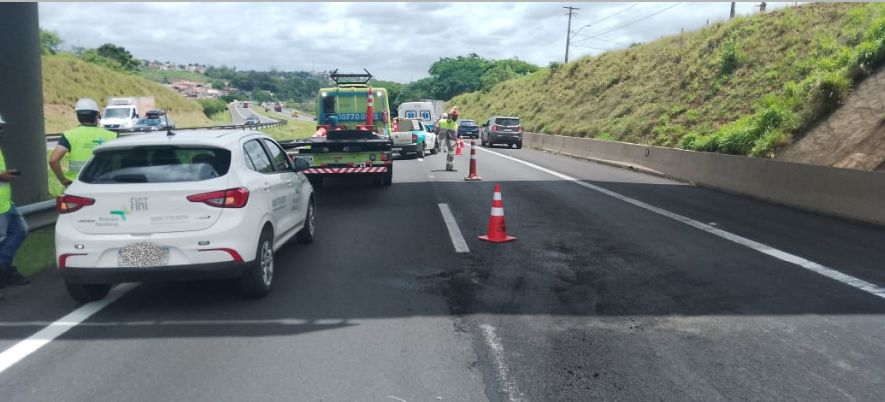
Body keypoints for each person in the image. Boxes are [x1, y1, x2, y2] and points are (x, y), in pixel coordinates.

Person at [48, 98, 117, 187]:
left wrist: (63, 180)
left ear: (78, 117)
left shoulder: (69, 135)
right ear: (97, 116)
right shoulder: (112, 136)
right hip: (105, 183)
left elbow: (53, 160)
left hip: (77, 185)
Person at [0, 115, 30, 297]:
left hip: (5, 204)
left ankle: (3, 267)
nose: (2, 132)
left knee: (21, 230)